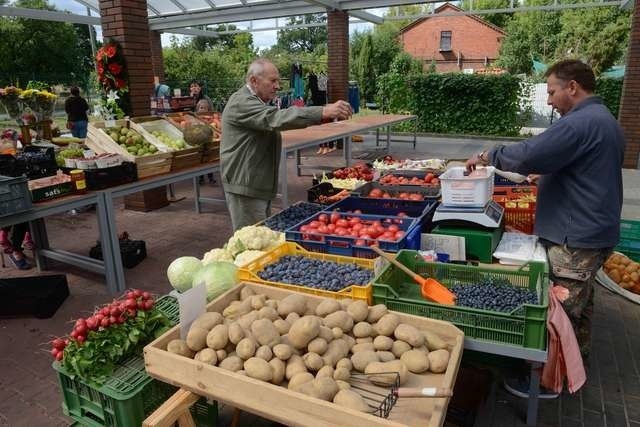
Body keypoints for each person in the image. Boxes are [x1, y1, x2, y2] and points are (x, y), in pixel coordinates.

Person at [465, 59, 625, 398]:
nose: (549, 100)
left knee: (558, 312)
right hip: (593, 229)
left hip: (576, 236)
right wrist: (552, 174)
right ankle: (573, 367)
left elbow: (529, 154)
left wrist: (486, 155)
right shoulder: (603, 119)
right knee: (581, 306)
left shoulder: (580, 123)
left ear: (572, 87)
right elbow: (580, 166)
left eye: (552, 91)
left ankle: (545, 381)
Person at [221, 58, 353, 231]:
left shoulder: (254, 101)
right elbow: (275, 118)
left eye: (278, 81)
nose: (277, 86)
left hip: (253, 183)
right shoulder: (241, 102)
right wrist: (322, 111)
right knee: (251, 242)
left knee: (262, 235)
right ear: (254, 81)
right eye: (273, 81)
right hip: (245, 186)